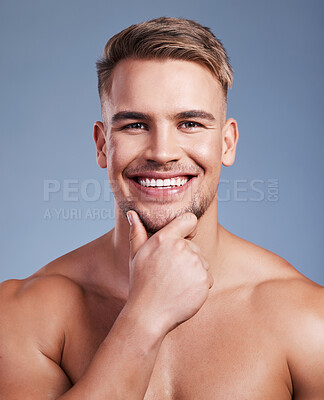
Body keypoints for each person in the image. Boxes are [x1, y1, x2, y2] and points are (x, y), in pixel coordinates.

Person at [0, 16, 323, 400]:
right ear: (103, 145)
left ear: (227, 143)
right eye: (135, 125)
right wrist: (143, 319)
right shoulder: (21, 316)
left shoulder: (307, 321)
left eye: (189, 123)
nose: (162, 153)